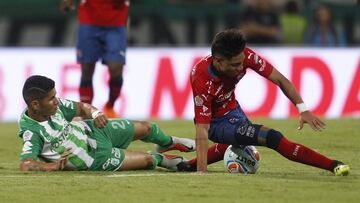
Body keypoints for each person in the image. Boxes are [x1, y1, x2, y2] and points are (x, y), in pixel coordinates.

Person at [182, 28, 350, 176]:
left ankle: (183, 164)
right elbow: (202, 128)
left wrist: (303, 109)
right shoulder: (201, 77)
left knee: (236, 144)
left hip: (234, 110)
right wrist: (202, 172)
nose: (241, 67)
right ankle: (333, 165)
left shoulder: (245, 56)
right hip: (216, 124)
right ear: (218, 61)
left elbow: (280, 80)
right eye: (235, 65)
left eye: (241, 62)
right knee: (270, 136)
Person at [18, 75, 195, 172]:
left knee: (147, 127)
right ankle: (161, 158)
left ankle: (168, 142)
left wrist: (95, 113)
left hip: (94, 130)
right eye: (51, 98)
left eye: (55, 96)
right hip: (95, 158)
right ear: (35, 104)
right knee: (148, 160)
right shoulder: (32, 132)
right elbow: (26, 164)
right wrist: (51, 166)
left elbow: (81, 107)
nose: (56, 101)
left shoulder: (55, 106)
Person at [60, 0, 129, 118]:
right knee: (87, 68)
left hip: (116, 21)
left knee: (116, 68)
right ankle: (86, 112)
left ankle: (110, 106)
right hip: (89, 19)